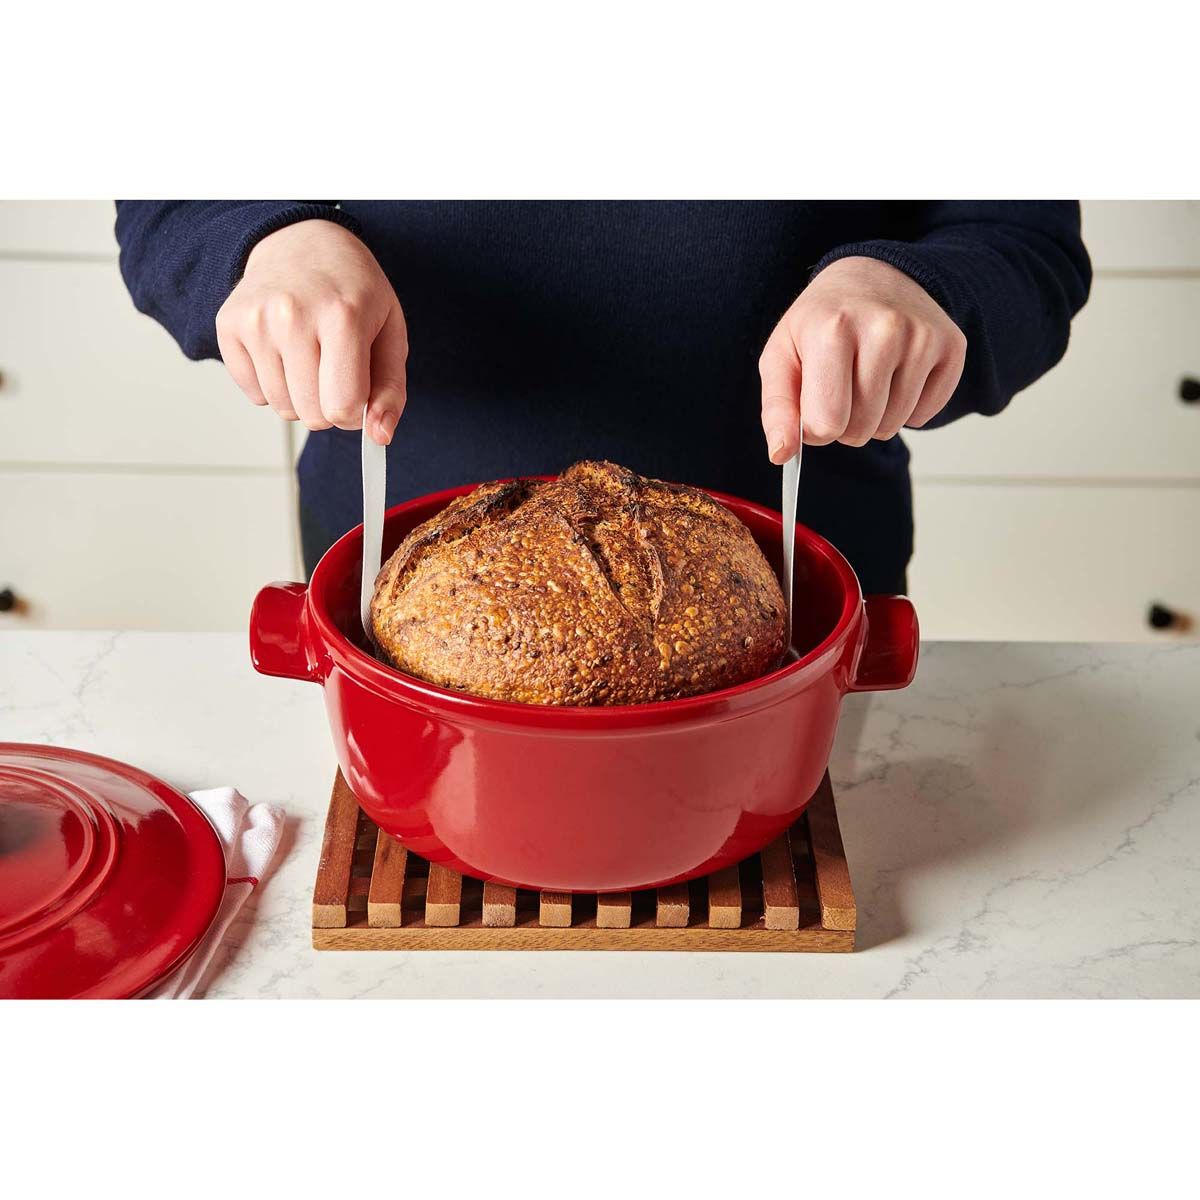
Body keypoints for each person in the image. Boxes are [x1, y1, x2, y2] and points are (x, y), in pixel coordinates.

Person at [114, 202, 1091, 592]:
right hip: (399, 554)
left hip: (797, 579)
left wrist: (918, 289)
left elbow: (1020, 240)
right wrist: (264, 240)